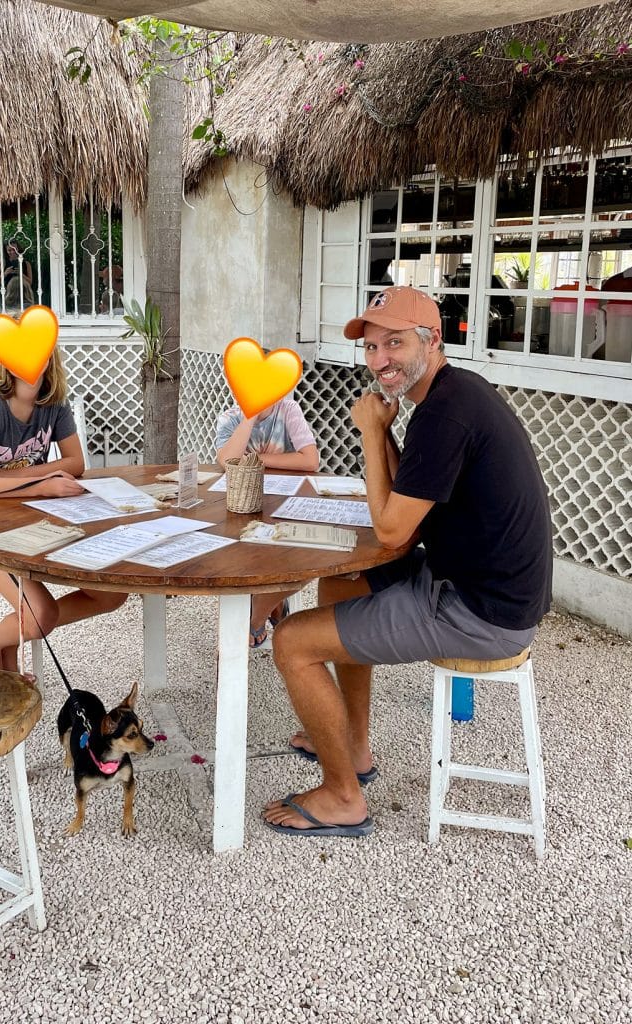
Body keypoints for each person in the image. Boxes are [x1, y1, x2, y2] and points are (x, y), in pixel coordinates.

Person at [263, 286, 552, 837]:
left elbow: (393, 529)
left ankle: (343, 796)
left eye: (393, 344)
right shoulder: (448, 397)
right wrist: (388, 432)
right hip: (476, 583)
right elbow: (405, 506)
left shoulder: (446, 415)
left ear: (432, 339)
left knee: (291, 643)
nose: (380, 361)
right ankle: (355, 747)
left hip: (482, 611)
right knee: (346, 581)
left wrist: (373, 432)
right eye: (371, 349)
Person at [0, 348, 126, 671]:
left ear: (48, 357)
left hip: (32, 521)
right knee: (40, 614)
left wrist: (15, 477)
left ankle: (13, 634)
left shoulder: (53, 402)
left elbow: (75, 462)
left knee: (112, 594)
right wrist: (39, 485)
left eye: (36, 349)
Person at [216, 396, 320, 648]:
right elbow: (226, 462)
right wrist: (250, 415)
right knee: (234, 554)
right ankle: (271, 605)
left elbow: (310, 460)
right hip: (242, 504)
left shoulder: (288, 409)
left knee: (304, 561)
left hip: (285, 502)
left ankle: (257, 616)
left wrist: (256, 460)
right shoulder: (230, 416)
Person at [0, 239, 34, 311]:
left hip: (24, 296)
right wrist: (5, 273)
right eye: (9, 250)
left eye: (14, 249)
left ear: (18, 248)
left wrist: (21, 274)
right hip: (8, 296)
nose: (12, 252)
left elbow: (30, 282)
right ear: (5, 251)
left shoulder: (26, 263)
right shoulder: (2, 263)